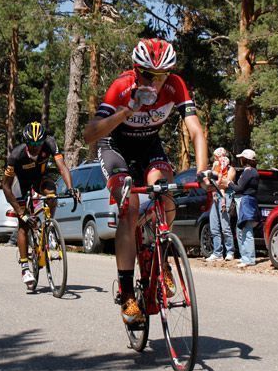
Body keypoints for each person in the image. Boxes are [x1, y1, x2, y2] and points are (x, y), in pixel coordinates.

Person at [83, 38, 209, 325]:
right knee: (129, 206)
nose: (156, 82)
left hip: (149, 147)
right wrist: (127, 110)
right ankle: (127, 294)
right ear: (136, 70)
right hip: (115, 148)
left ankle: (161, 253)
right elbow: (90, 134)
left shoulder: (175, 85)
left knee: (166, 193)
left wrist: (202, 171)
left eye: (162, 75)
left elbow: (195, 131)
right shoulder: (122, 86)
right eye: (149, 75)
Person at [2, 121, 79, 290]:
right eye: (31, 144)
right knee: (23, 224)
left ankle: (49, 227)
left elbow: (62, 167)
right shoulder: (16, 155)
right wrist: (20, 212)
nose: (35, 147)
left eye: (38, 143)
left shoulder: (50, 143)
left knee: (52, 193)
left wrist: (71, 188)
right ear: (25, 142)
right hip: (19, 184)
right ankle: (24, 267)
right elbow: (6, 187)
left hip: (39, 179)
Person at [222, 149, 260, 268]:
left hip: (245, 202)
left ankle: (249, 259)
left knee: (246, 230)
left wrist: (229, 183)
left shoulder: (249, 172)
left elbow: (239, 188)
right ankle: (245, 257)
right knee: (242, 230)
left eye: (242, 158)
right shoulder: (251, 171)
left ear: (246, 159)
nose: (240, 160)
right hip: (246, 201)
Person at [206, 147, 237, 262]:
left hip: (225, 197)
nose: (216, 159)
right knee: (214, 226)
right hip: (215, 197)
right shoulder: (215, 166)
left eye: (216, 156)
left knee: (225, 226)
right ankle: (217, 253)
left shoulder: (231, 169)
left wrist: (216, 182)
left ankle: (230, 252)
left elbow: (226, 184)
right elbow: (210, 182)